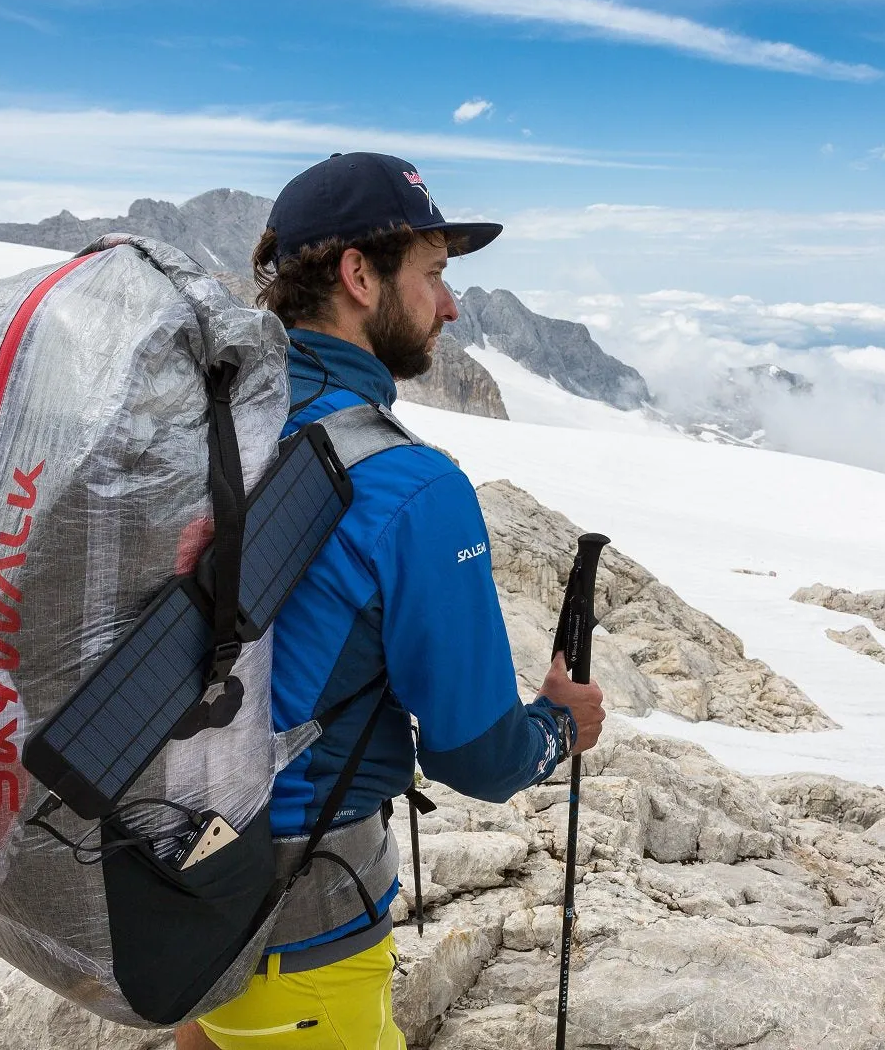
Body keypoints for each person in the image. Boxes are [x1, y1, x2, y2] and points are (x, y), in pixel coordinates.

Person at [178, 153, 605, 1049]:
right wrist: (561, 726)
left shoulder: (209, 420)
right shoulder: (410, 487)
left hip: (170, 889)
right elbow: (479, 756)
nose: (450, 306)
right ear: (358, 275)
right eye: (435, 274)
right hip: (300, 923)